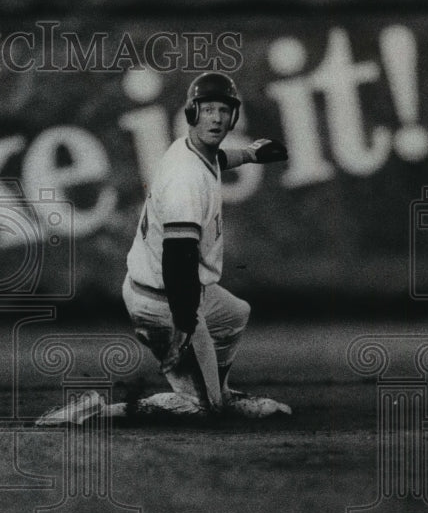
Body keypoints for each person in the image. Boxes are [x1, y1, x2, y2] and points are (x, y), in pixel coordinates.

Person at [38, 71, 290, 425]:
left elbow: (215, 161)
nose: (216, 118)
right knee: (203, 410)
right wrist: (186, 318)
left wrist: (249, 154)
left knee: (234, 316)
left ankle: (217, 390)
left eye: (224, 109)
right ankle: (99, 413)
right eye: (207, 109)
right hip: (164, 300)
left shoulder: (189, 149)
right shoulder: (186, 180)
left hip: (176, 289)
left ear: (233, 116)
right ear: (191, 113)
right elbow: (177, 257)